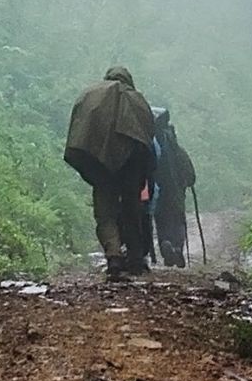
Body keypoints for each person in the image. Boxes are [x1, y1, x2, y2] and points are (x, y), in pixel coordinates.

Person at [64, 66, 156, 279]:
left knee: (105, 212)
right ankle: (135, 259)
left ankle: (113, 256)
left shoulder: (90, 95)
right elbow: (147, 138)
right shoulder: (137, 100)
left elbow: (80, 131)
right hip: (131, 166)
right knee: (131, 211)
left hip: (100, 165)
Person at [148, 107, 197, 268]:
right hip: (176, 193)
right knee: (178, 221)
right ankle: (177, 248)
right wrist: (186, 182)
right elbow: (190, 175)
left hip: (156, 191)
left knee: (161, 221)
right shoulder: (177, 149)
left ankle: (166, 245)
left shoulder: (150, 144)